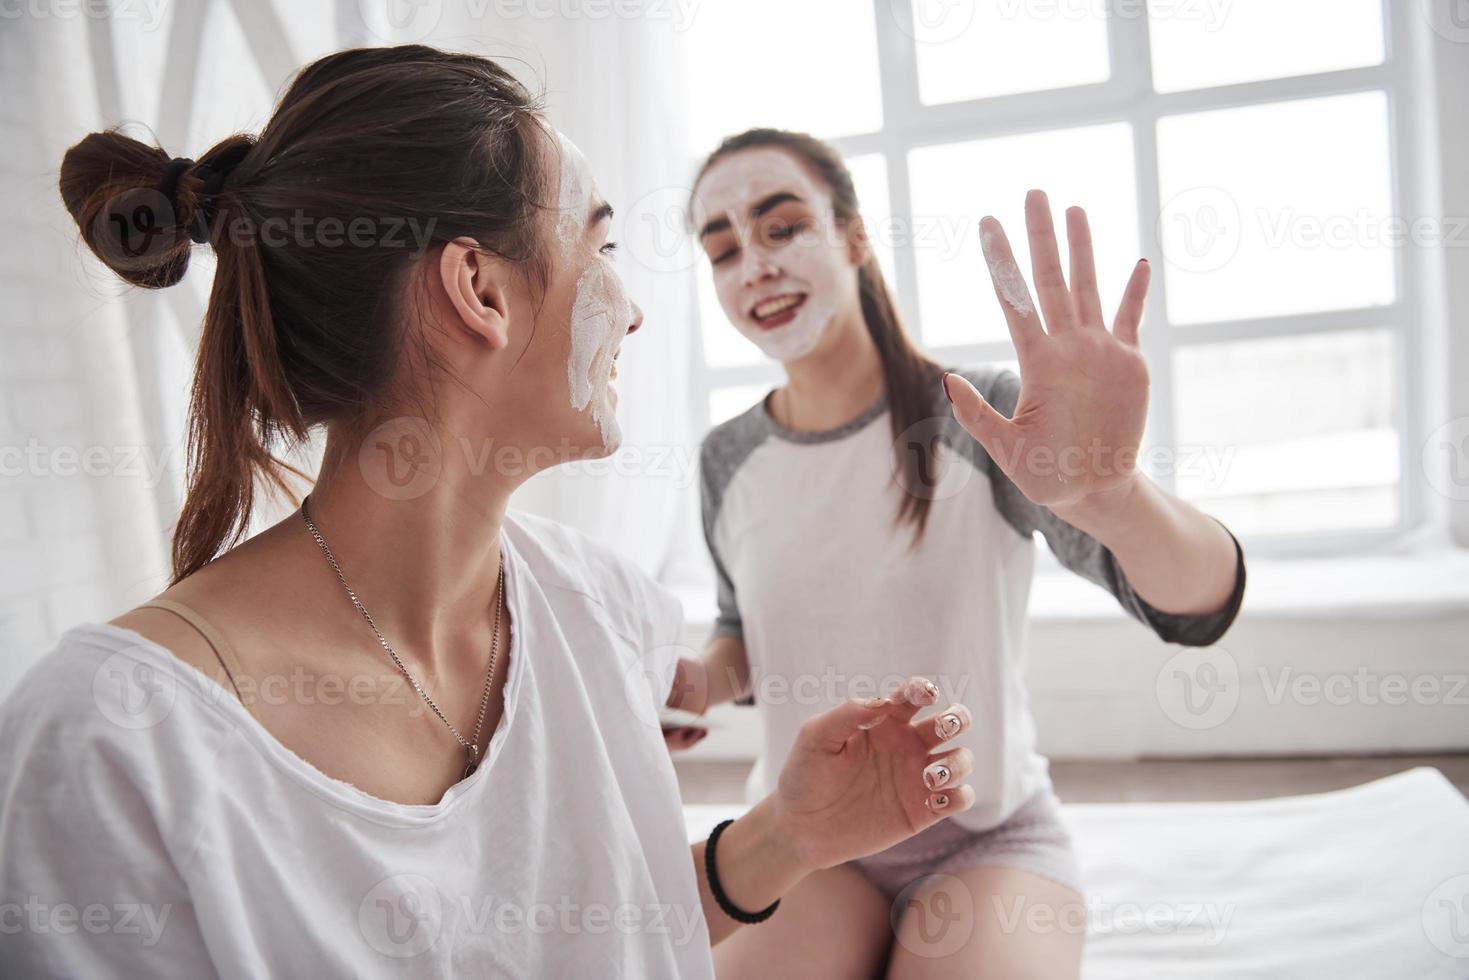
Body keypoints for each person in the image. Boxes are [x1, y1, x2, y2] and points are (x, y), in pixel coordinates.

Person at [0, 49, 979, 978]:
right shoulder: (113, 745)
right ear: (477, 289)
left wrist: (784, 834)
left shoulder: (604, 614)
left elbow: (594, 931)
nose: (632, 310)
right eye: (599, 243)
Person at [668, 129, 1247, 978]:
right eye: (721, 250)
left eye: (781, 227)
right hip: (810, 836)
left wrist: (1114, 499)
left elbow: (1199, 603)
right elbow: (743, 628)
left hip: (985, 840)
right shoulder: (727, 457)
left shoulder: (983, 419)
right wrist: (704, 679)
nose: (750, 264)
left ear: (854, 238)